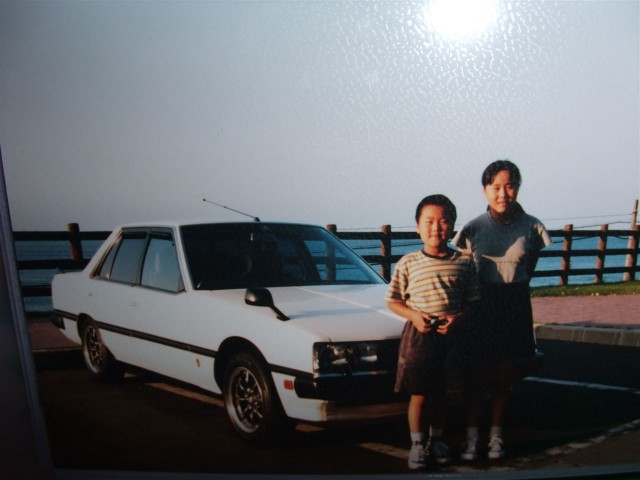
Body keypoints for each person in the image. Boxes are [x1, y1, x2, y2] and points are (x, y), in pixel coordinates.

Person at [452, 160, 552, 461]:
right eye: (495, 187)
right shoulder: (472, 228)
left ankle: (496, 438)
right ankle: (471, 440)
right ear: (485, 190)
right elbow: (463, 271)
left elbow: (529, 265)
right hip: (481, 305)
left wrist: (514, 288)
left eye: (509, 186)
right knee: (476, 377)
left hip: (515, 303)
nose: (503, 193)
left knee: (503, 379)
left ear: (518, 187)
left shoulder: (533, 226)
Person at [386, 194, 480, 470]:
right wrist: (414, 316)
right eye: (428, 221)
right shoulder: (408, 262)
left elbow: (474, 304)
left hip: (452, 337)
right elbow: (393, 301)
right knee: (420, 394)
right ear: (417, 226)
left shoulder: (464, 262)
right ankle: (417, 445)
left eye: (443, 221)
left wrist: (458, 318)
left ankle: (437, 439)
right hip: (419, 336)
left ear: (452, 227)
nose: (435, 228)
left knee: (442, 393)